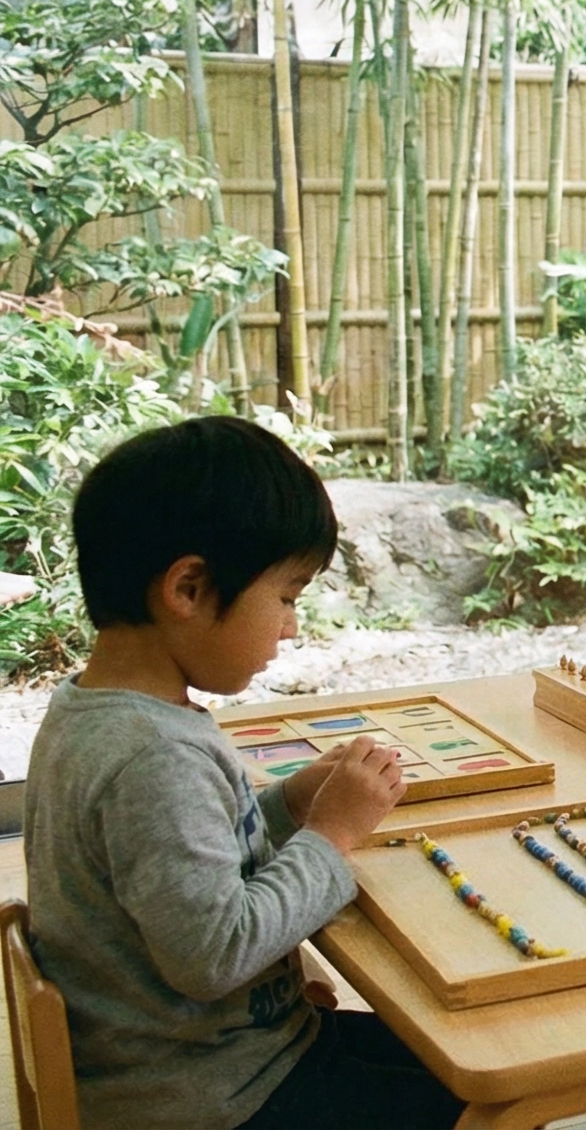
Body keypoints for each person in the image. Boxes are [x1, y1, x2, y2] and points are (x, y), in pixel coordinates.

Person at [26, 417, 460, 1130]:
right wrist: (332, 835)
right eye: (286, 597)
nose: (290, 627)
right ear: (189, 589)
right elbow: (216, 952)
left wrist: (289, 804)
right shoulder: (152, 756)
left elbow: (183, 859)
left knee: (448, 1054)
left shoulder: (105, 712)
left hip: (203, 1061)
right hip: (215, 1097)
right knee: (488, 1090)